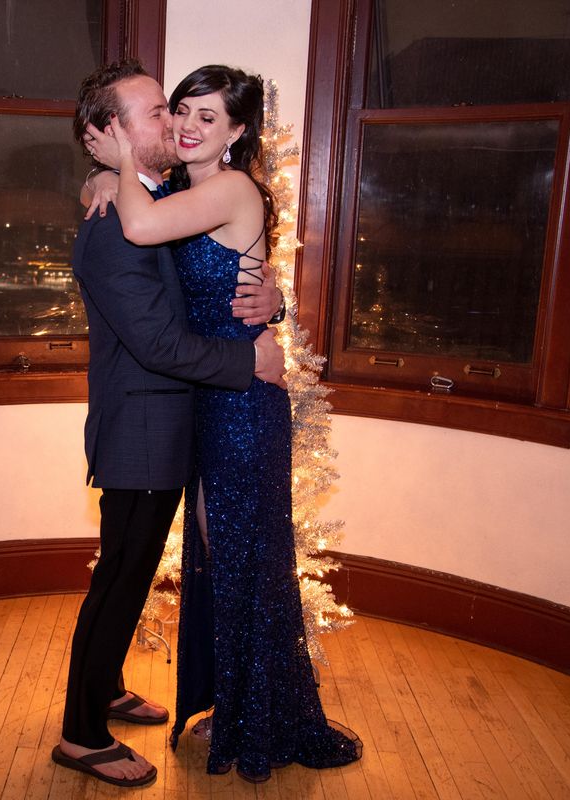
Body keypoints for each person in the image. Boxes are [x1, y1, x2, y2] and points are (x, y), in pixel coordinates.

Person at [83, 64, 364, 782]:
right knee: (218, 561)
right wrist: (107, 178)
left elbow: (150, 227)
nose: (187, 125)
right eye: (180, 110)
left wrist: (111, 169)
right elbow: (147, 224)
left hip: (239, 406)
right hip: (202, 402)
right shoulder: (175, 190)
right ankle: (229, 703)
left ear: (239, 132)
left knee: (246, 557)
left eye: (210, 118)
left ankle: (259, 715)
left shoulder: (228, 188)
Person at [52, 59, 287, 789]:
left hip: (169, 426)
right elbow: (157, 344)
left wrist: (269, 297)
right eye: (156, 112)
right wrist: (247, 363)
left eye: (177, 110)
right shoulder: (115, 228)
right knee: (120, 580)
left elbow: (219, 264)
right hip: (143, 434)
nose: (174, 123)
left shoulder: (160, 196)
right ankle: (82, 734)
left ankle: (107, 687)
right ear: (107, 133)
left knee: (127, 574)